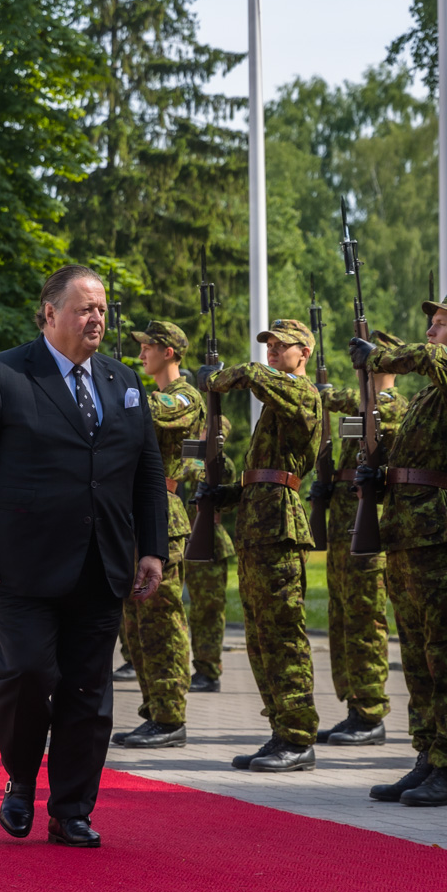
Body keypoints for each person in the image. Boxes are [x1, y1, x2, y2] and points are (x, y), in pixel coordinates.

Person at [0, 265, 167, 846]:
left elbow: (147, 472)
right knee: (25, 673)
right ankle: (21, 780)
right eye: (83, 309)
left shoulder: (122, 380)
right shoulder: (2, 376)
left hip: (103, 563)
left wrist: (153, 549)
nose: (96, 319)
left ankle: (71, 810)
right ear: (49, 313)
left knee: (87, 692)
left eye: (101, 309)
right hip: (21, 564)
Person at [353, 292, 447, 807]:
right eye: (431, 322)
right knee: (415, 654)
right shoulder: (430, 398)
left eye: (443, 322)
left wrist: (377, 357)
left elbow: (431, 359)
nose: (433, 330)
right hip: (407, 530)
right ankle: (427, 755)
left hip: (439, 532)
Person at [200, 319, 323, 774]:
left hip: (280, 528)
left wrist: (217, 377)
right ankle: (280, 730)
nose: (271, 350)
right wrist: (226, 495)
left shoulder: (303, 394)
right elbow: (264, 474)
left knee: (283, 634)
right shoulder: (275, 403)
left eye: (280, 344)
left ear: (303, 352)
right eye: (268, 344)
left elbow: (252, 377)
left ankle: (297, 736)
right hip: (257, 522)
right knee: (258, 636)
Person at [114, 322, 204, 748]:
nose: (142, 353)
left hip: (161, 514)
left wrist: (115, 391)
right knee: (136, 626)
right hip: (130, 513)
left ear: (170, 352)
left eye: (149, 347)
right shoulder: (148, 396)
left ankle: (171, 717)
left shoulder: (185, 396)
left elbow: (153, 412)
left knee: (162, 619)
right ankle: (154, 711)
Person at [315, 330, 405, 747]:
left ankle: (370, 711)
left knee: (365, 615)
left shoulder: (394, 406)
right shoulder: (359, 405)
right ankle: (353, 704)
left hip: (371, 524)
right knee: (341, 613)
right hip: (342, 519)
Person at [182, 414, 235, 693]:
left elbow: (217, 475)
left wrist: (210, 452)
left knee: (208, 611)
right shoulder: (197, 461)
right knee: (195, 610)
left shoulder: (220, 464)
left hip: (211, 545)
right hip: (191, 542)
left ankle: (208, 670)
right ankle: (201, 667)